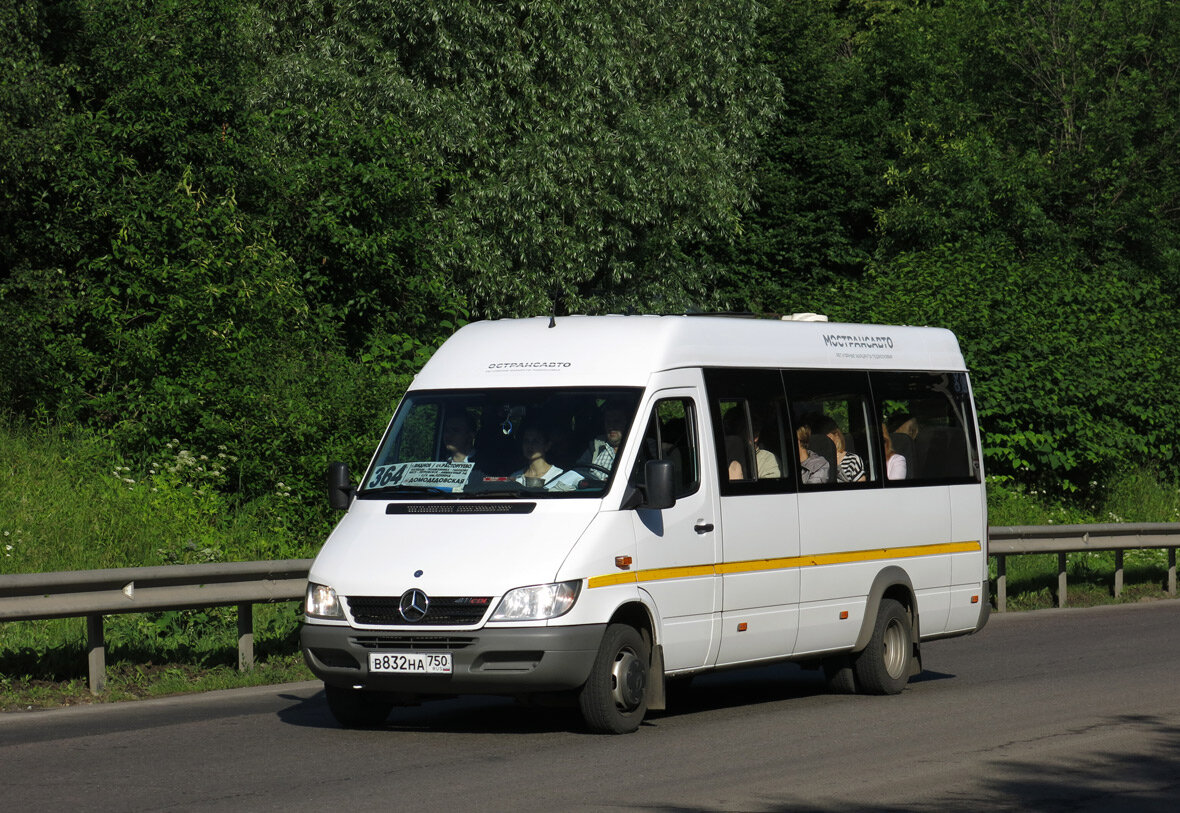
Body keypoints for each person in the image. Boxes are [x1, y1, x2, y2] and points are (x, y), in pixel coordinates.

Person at [577, 403, 630, 479]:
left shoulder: (639, 447)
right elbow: (578, 471)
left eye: (616, 421)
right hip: (597, 490)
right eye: (608, 422)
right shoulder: (596, 446)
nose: (611, 426)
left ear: (626, 423)